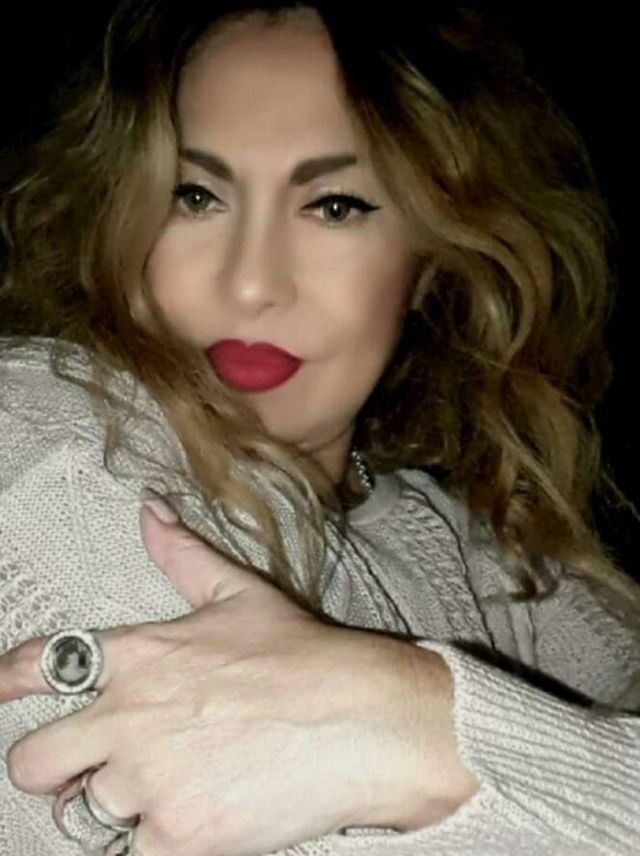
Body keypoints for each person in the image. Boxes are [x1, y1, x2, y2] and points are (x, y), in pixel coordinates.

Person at [0, 1, 638, 854]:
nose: (252, 283)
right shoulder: (55, 452)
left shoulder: (499, 562)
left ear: (430, 259)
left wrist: (421, 720)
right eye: (196, 196)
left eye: (335, 206)